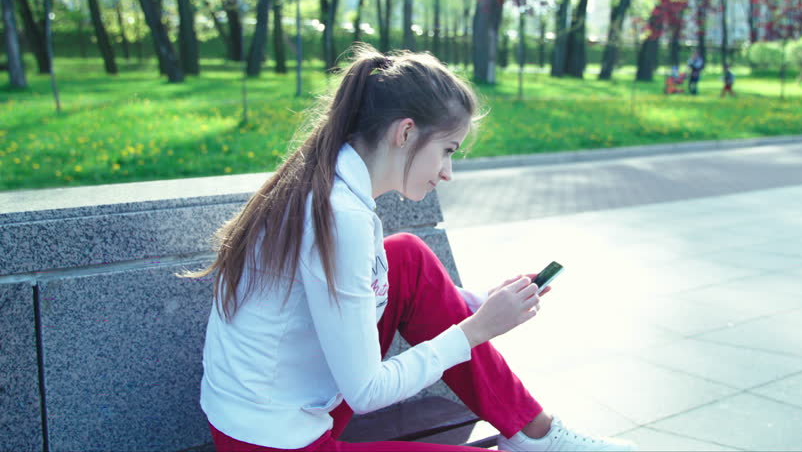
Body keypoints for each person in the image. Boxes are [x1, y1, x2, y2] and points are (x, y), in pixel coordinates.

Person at [184, 43, 636, 452]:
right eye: (448, 151)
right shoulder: (340, 217)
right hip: (278, 444)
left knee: (407, 256)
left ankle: (535, 434)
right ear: (404, 133)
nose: (447, 172)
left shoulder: (325, 181)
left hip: (280, 410)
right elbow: (366, 392)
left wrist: (480, 305)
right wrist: (476, 329)